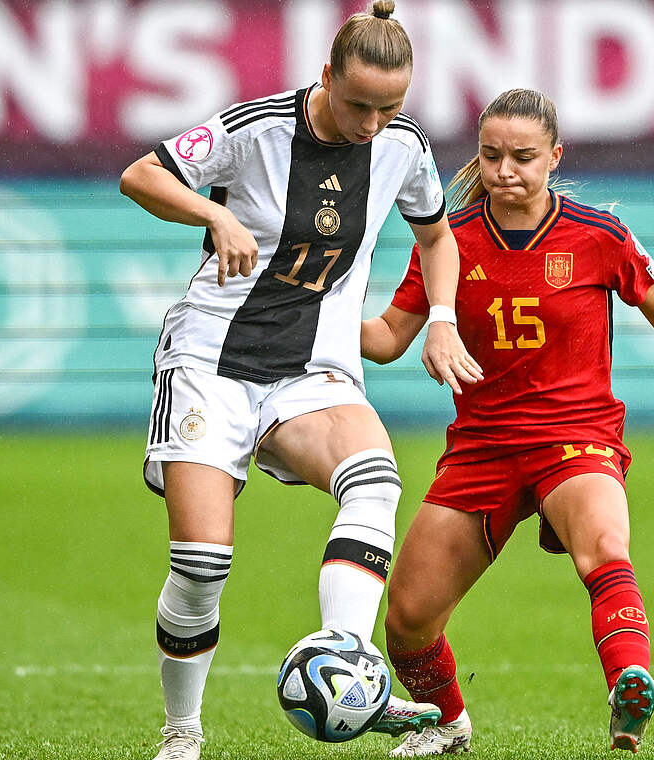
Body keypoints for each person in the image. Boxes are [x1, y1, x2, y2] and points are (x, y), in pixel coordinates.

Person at [118, 3, 483, 758]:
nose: (373, 124)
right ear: (324, 77)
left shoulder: (403, 149)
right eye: (359, 105)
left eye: (391, 107)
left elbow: (437, 234)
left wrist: (442, 316)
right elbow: (140, 175)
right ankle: (181, 735)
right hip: (211, 362)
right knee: (200, 565)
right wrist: (211, 216)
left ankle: (342, 661)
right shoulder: (255, 129)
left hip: (314, 368)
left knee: (375, 477)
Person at [360, 89, 654, 756]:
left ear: (555, 156)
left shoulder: (598, 235)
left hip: (576, 437)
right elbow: (387, 337)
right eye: (490, 156)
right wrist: (315, 310)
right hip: (482, 448)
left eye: (521, 157)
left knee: (603, 546)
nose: (503, 170)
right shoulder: (447, 242)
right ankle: (448, 722)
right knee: (406, 619)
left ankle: (627, 685)